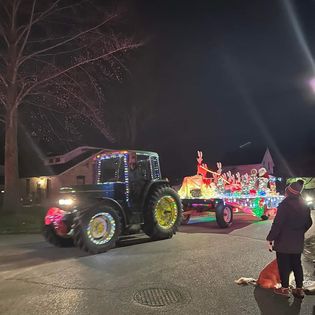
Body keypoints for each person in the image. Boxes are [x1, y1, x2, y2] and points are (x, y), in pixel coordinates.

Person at [266, 180, 312, 298]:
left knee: (284, 265)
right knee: (297, 264)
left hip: (283, 242)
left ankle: (285, 289)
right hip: (297, 242)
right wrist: (299, 232)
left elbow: (278, 224)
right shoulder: (304, 205)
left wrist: (270, 238)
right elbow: (309, 223)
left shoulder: (284, 205)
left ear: (288, 192)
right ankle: (299, 289)